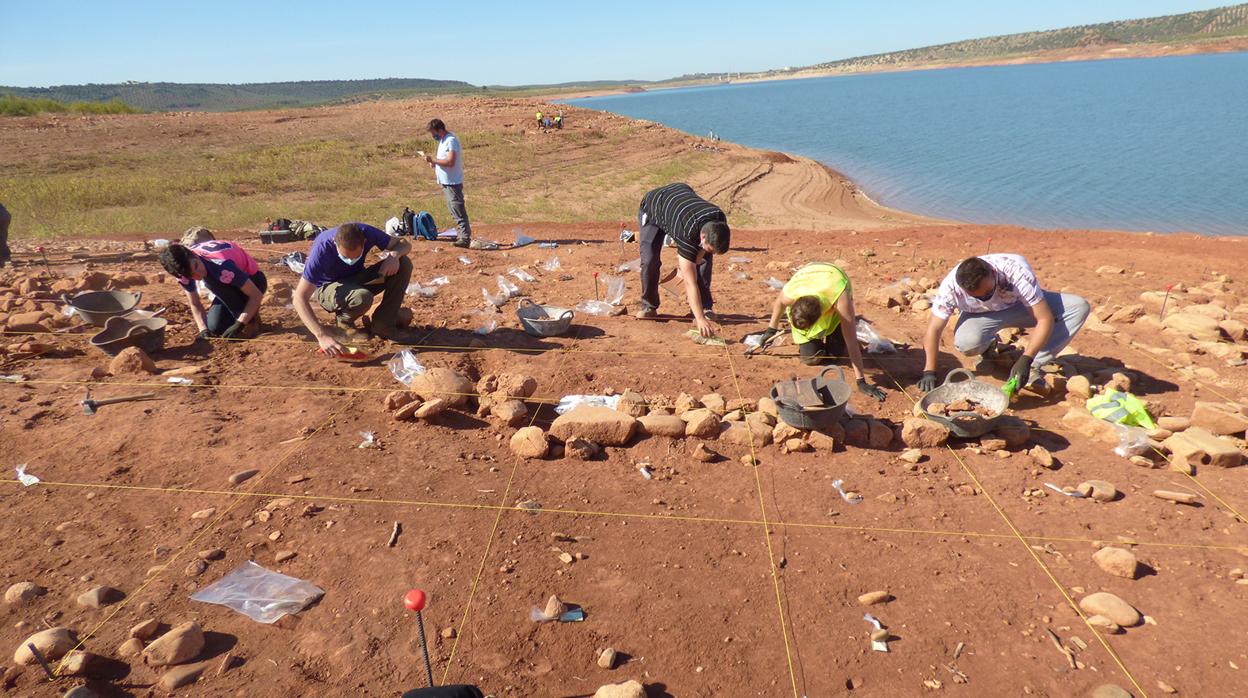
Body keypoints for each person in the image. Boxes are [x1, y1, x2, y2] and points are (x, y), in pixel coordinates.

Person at [917, 254, 1091, 393]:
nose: (984, 298)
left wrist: (1026, 359)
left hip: (1020, 306)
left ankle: (1035, 365)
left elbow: (1044, 319)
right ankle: (988, 346)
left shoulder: (1016, 272)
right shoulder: (951, 288)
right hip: (982, 316)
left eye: (987, 293)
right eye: (976, 296)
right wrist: (929, 371)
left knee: (1078, 307)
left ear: (993, 273)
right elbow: (934, 329)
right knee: (966, 343)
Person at [759, 262, 886, 401]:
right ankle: (815, 343)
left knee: (834, 357)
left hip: (833, 278)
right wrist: (771, 330)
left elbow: (852, 342)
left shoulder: (839, 297)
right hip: (809, 274)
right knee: (810, 359)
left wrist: (861, 381)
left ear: (820, 316)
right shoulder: (791, 293)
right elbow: (779, 304)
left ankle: (832, 336)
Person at [292, 222, 413, 356]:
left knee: (404, 263)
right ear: (335, 243)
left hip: (356, 279)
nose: (349, 260)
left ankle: (383, 325)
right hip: (328, 289)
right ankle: (344, 321)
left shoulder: (367, 232)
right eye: (345, 257)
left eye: (356, 256)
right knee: (362, 297)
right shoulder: (322, 249)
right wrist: (321, 335)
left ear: (365, 242)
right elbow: (299, 298)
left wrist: (394, 256)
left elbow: (404, 243)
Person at [635, 183, 730, 337]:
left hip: (681, 201)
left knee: (704, 261)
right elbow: (689, 282)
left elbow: (701, 253)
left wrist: (698, 257)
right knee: (649, 260)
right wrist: (700, 320)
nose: (708, 252)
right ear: (702, 236)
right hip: (654, 206)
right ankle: (649, 306)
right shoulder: (686, 231)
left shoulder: (719, 219)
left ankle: (705, 307)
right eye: (709, 248)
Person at [159, 240, 266, 339]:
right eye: (191, 276)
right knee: (216, 327)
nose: (198, 275)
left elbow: (256, 295)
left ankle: (252, 322)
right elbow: (195, 303)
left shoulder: (221, 266)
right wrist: (203, 330)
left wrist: (241, 323)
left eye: (196, 266)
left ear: (195, 255)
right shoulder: (183, 272)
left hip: (254, 280)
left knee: (212, 282)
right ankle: (247, 311)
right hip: (228, 284)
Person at [423, 118, 471, 249]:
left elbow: (450, 162)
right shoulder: (443, 141)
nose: (433, 136)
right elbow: (443, 161)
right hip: (446, 182)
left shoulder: (451, 141)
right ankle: (462, 236)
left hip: (452, 182)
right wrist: (434, 163)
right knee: (454, 210)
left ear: (440, 130)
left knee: (458, 210)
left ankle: (464, 238)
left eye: (434, 133)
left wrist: (434, 160)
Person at [0, 202, 11, 268]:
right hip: (6, 217)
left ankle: (5, 257)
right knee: (2, 238)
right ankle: (5, 257)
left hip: (2, 217)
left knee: (1, 238)